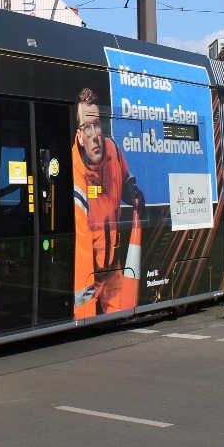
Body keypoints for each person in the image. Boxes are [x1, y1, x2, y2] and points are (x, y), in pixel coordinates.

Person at [71, 87, 145, 318]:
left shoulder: (113, 149)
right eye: (87, 127)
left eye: (97, 124)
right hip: (90, 271)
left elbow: (124, 177)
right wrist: (84, 314)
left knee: (122, 315)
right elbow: (82, 251)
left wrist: (132, 190)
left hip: (113, 265)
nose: (94, 134)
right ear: (79, 136)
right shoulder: (75, 174)